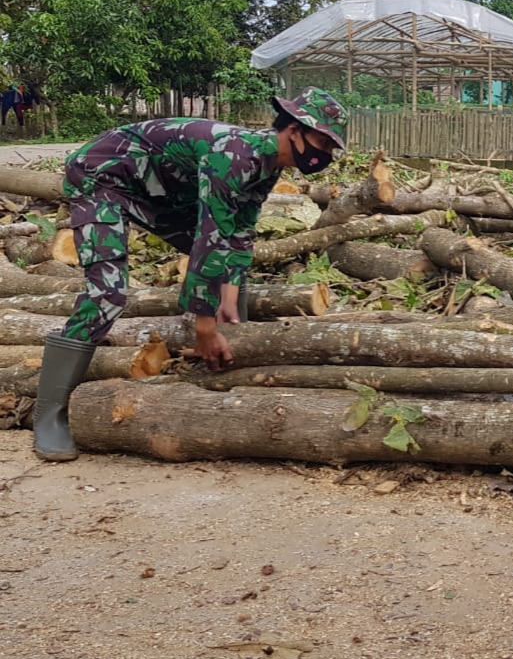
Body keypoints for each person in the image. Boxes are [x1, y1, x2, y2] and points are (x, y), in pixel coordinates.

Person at [31, 87, 348, 462]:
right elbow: (209, 240)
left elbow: (239, 234)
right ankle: (50, 413)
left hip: (157, 190)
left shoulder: (266, 166)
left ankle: (229, 368)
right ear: (294, 130)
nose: (325, 154)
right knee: (109, 295)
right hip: (101, 180)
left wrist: (228, 305)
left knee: (230, 267)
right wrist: (204, 326)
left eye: (331, 147)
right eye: (322, 142)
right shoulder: (234, 155)